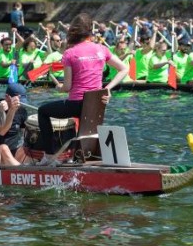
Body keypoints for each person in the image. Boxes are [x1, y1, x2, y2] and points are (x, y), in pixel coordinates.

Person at [35, 13, 130, 163]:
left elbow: (67, 87)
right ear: (90, 30)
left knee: (42, 111)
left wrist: (59, 87)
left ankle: (49, 156)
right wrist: (107, 89)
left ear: (73, 31)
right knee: (85, 124)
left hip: (77, 104)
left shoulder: (69, 53)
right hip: (97, 104)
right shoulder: (101, 49)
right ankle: (78, 156)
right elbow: (124, 68)